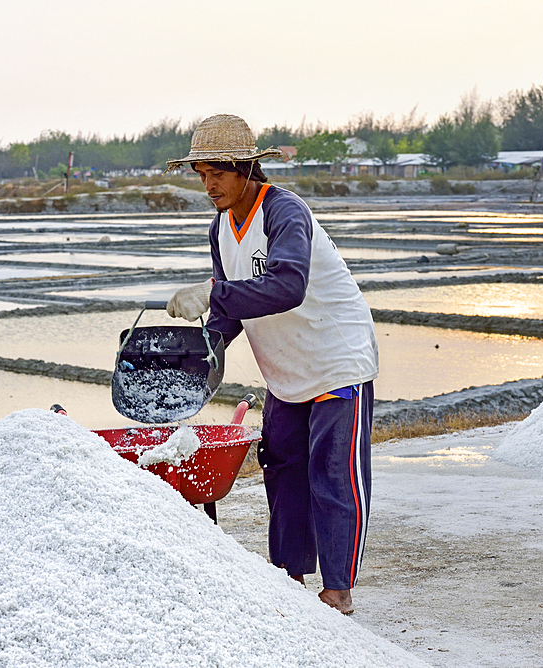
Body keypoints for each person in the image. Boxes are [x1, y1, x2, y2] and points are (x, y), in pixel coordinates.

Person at [164, 114, 379, 615]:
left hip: (334, 358)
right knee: (282, 469)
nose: (208, 184)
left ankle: (338, 591)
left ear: (244, 169)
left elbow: (287, 286)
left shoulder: (284, 213)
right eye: (201, 174)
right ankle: (289, 579)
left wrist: (213, 291)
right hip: (285, 371)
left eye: (217, 172)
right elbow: (232, 307)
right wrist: (198, 350)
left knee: (334, 473)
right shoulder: (220, 228)